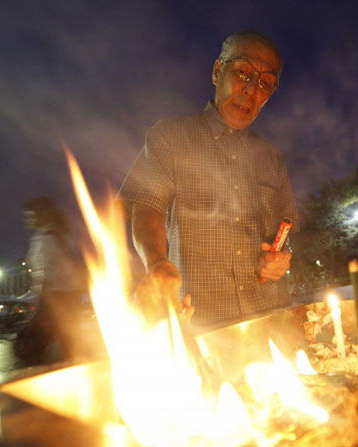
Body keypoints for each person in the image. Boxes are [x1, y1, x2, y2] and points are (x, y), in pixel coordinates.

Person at [117, 30, 298, 327]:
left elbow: (284, 232)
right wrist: (157, 263)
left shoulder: (271, 157)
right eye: (243, 72)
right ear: (217, 71)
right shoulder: (171, 137)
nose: (251, 90)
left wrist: (280, 258)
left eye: (265, 83)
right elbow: (146, 208)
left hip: (270, 322)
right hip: (202, 326)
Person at [16, 196, 86, 364]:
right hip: (68, 297)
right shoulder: (60, 235)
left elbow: (48, 275)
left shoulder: (45, 238)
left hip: (54, 298)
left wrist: (40, 306)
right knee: (69, 343)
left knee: (39, 345)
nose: (28, 220)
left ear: (42, 215)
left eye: (31, 215)